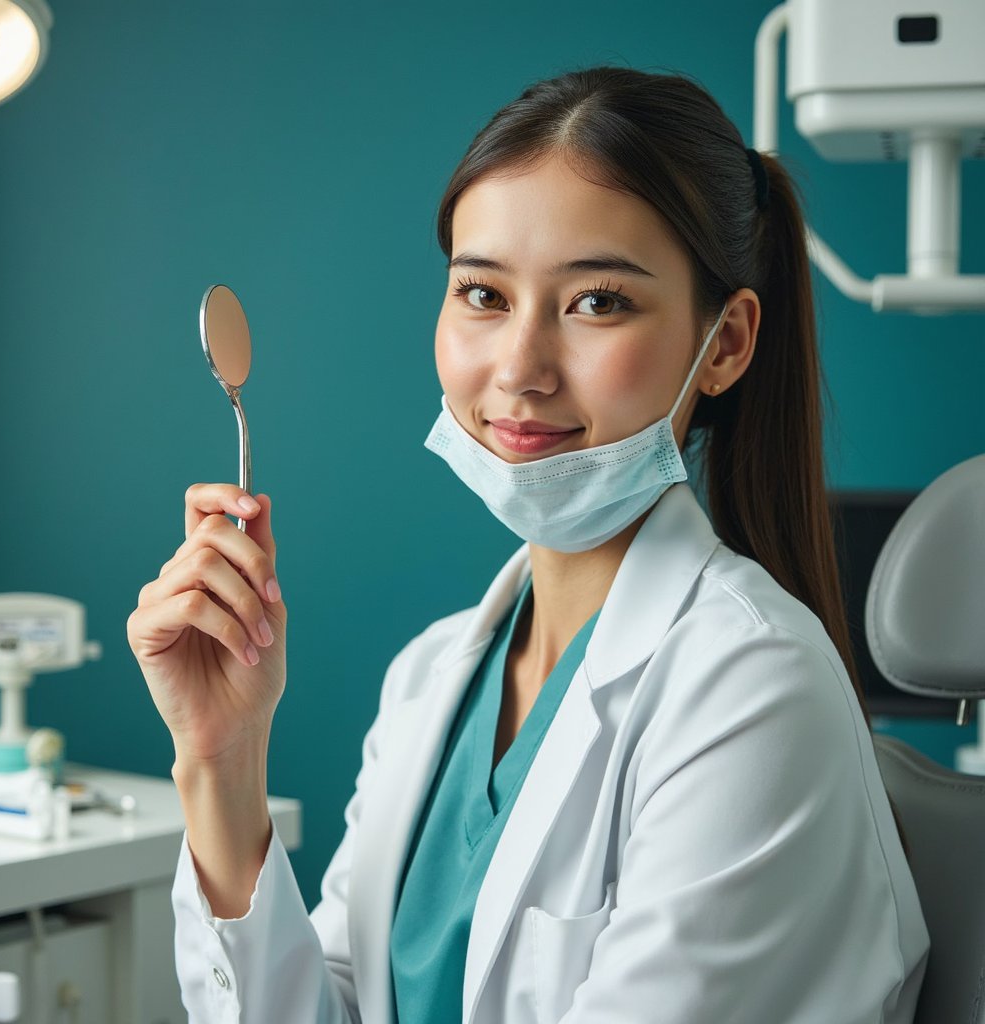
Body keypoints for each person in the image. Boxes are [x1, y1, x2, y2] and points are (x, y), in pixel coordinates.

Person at [127, 66, 929, 1023]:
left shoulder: (753, 687)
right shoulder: (432, 679)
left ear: (725, 344)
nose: (519, 370)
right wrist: (221, 759)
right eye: (482, 294)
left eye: (597, 302)